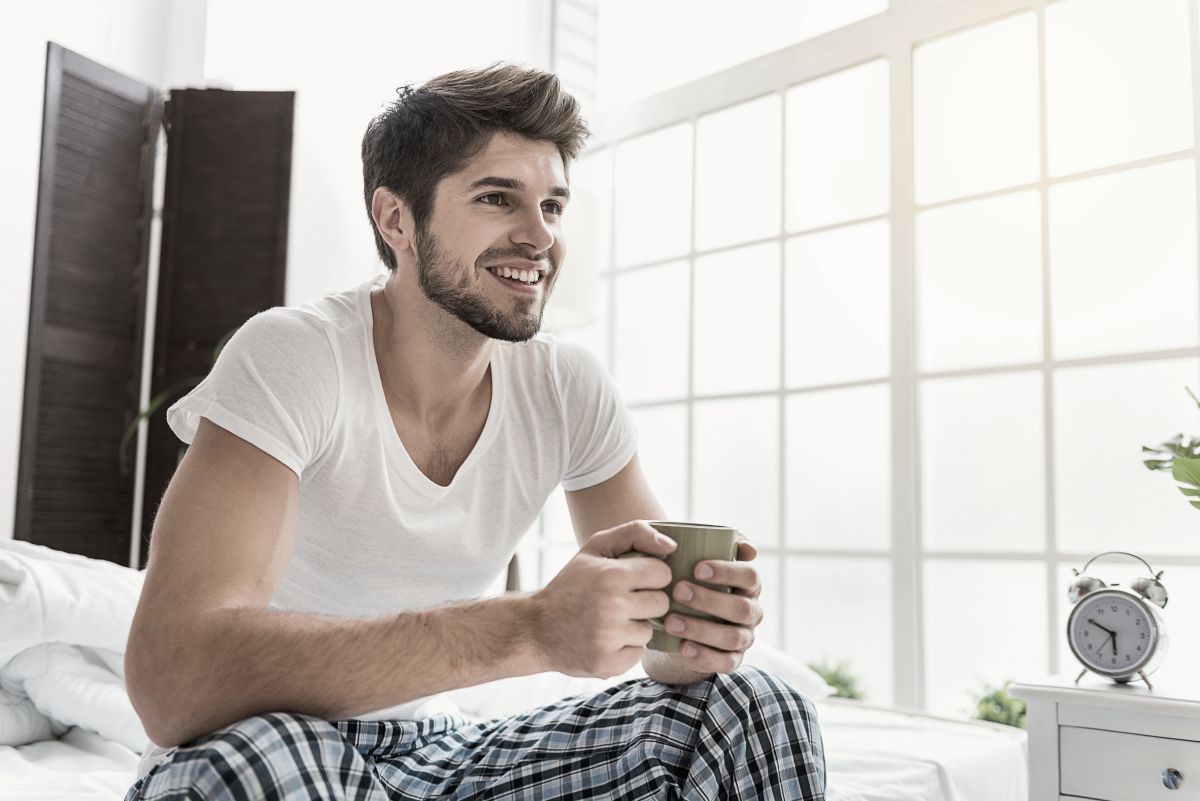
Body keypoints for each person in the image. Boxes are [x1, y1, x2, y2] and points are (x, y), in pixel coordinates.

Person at [122, 62, 825, 800]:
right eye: (498, 199)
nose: (539, 238)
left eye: (553, 206)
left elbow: (664, 639)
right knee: (255, 758)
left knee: (755, 708)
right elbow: (173, 680)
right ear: (396, 220)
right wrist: (530, 628)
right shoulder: (295, 357)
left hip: (435, 751)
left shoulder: (566, 388)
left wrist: (697, 630)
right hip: (274, 744)